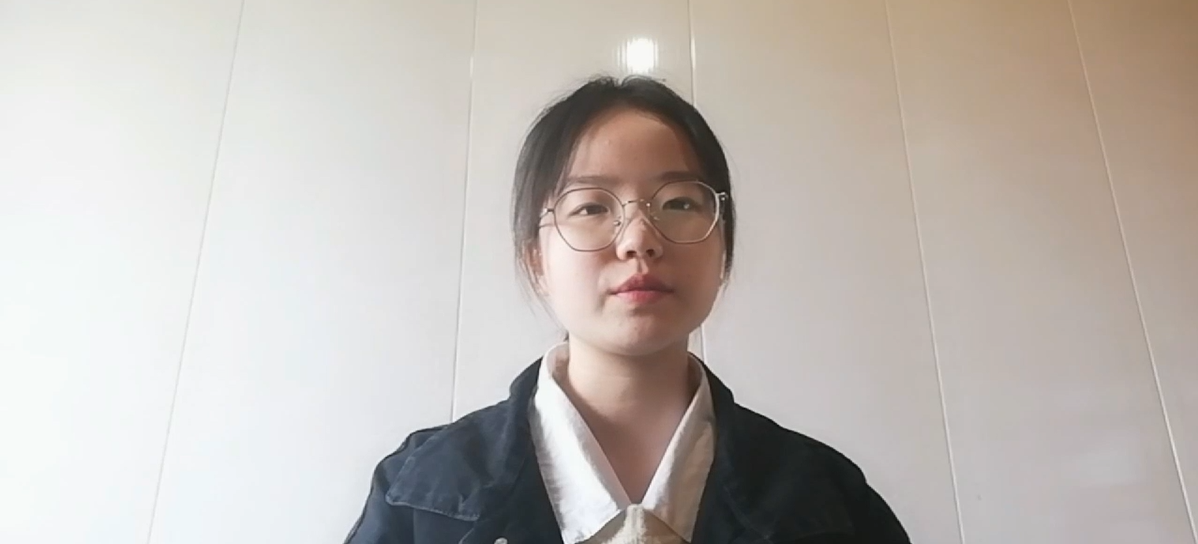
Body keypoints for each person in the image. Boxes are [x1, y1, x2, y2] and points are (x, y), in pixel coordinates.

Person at [344, 75, 911, 544]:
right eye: (591, 207)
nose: (640, 239)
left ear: (723, 247)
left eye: (679, 203)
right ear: (536, 258)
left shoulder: (829, 500)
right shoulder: (417, 495)